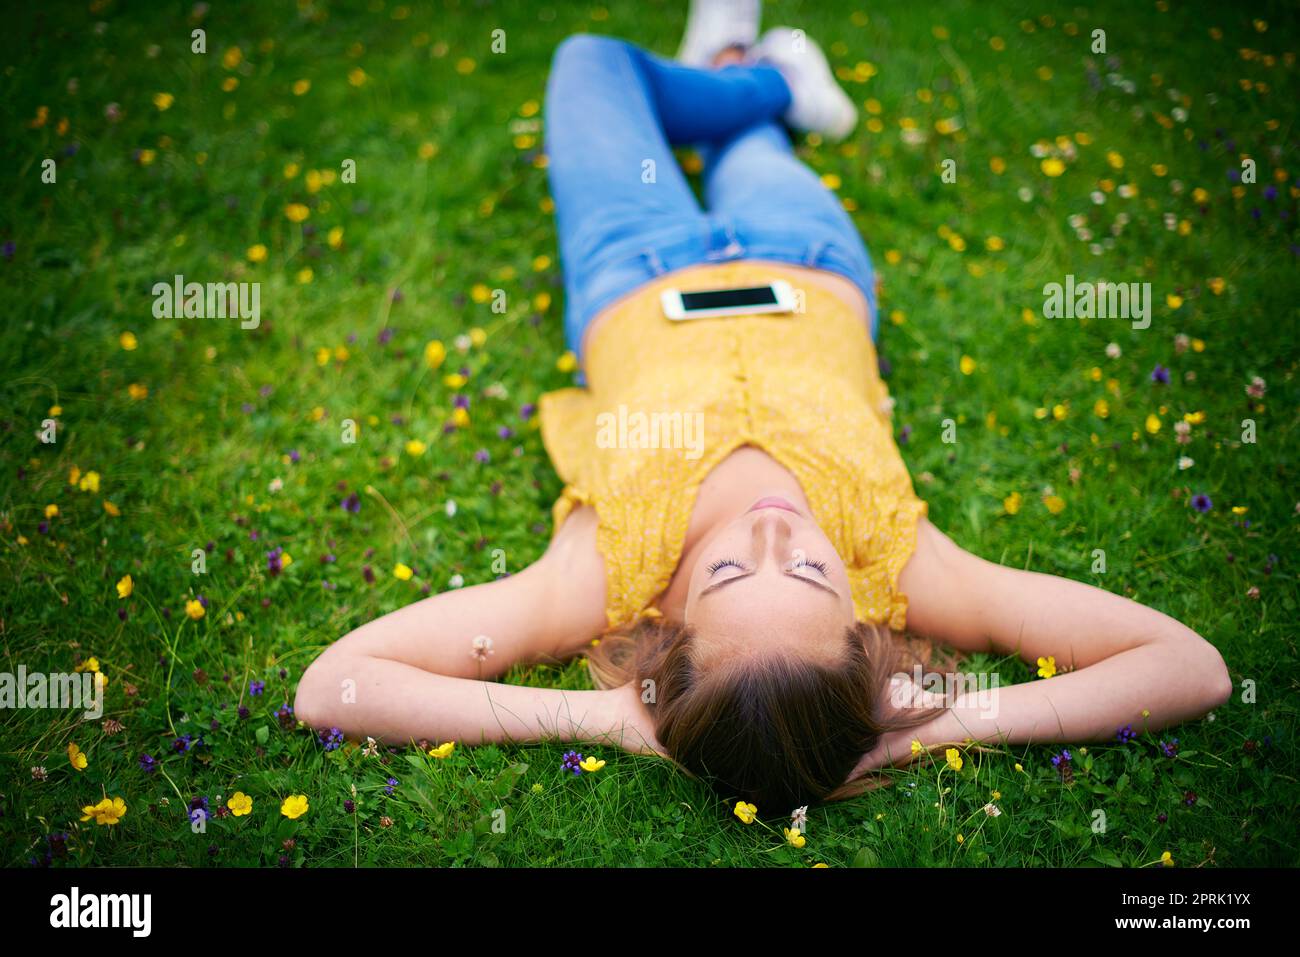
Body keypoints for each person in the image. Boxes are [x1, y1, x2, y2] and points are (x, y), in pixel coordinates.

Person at [295, 1, 1231, 814]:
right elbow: (1192, 665)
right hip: (802, 253)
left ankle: (756, 77)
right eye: (815, 575)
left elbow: (334, 686)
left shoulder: (600, 575)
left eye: (735, 570)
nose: (775, 529)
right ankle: (757, 88)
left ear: (669, 634)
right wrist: (931, 726)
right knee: (746, 146)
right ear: (865, 636)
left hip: (634, 259)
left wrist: (600, 717)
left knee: (590, 63)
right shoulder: (907, 566)